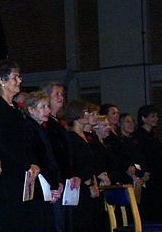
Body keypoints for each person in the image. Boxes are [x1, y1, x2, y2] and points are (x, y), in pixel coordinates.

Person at [0, 60, 39, 232]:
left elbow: (24, 141)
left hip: (22, 174)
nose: (19, 81)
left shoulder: (15, 107)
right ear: (1, 80)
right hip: (9, 176)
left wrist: (32, 162)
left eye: (19, 77)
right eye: (15, 77)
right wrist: (25, 164)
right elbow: (0, 144)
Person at [23, 91, 62, 231]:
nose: (48, 110)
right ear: (31, 110)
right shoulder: (28, 129)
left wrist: (57, 182)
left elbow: (51, 159)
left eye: (48, 106)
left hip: (48, 186)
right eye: (43, 107)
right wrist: (50, 187)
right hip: (40, 188)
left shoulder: (41, 129)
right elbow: (38, 160)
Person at [65, 100, 105, 232]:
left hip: (90, 183)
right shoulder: (71, 137)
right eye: (85, 112)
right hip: (81, 186)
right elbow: (76, 164)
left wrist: (94, 183)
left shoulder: (85, 136)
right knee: (83, 221)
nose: (88, 115)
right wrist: (89, 185)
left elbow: (90, 163)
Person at [40, 81, 70, 232]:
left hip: (63, 179)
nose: (61, 98)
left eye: (62, 94)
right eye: (56, 94)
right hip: (56, 179)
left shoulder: (57, 122)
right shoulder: (46, 123)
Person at [133, 105, 162, 221]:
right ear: (144, 118)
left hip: (156, 175)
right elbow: (138, 158)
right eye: (152, 116)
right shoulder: (139, 136)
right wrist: (142, 172)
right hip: (148, 177)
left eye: (156, 116)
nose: (156, 119)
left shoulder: (152, 135)